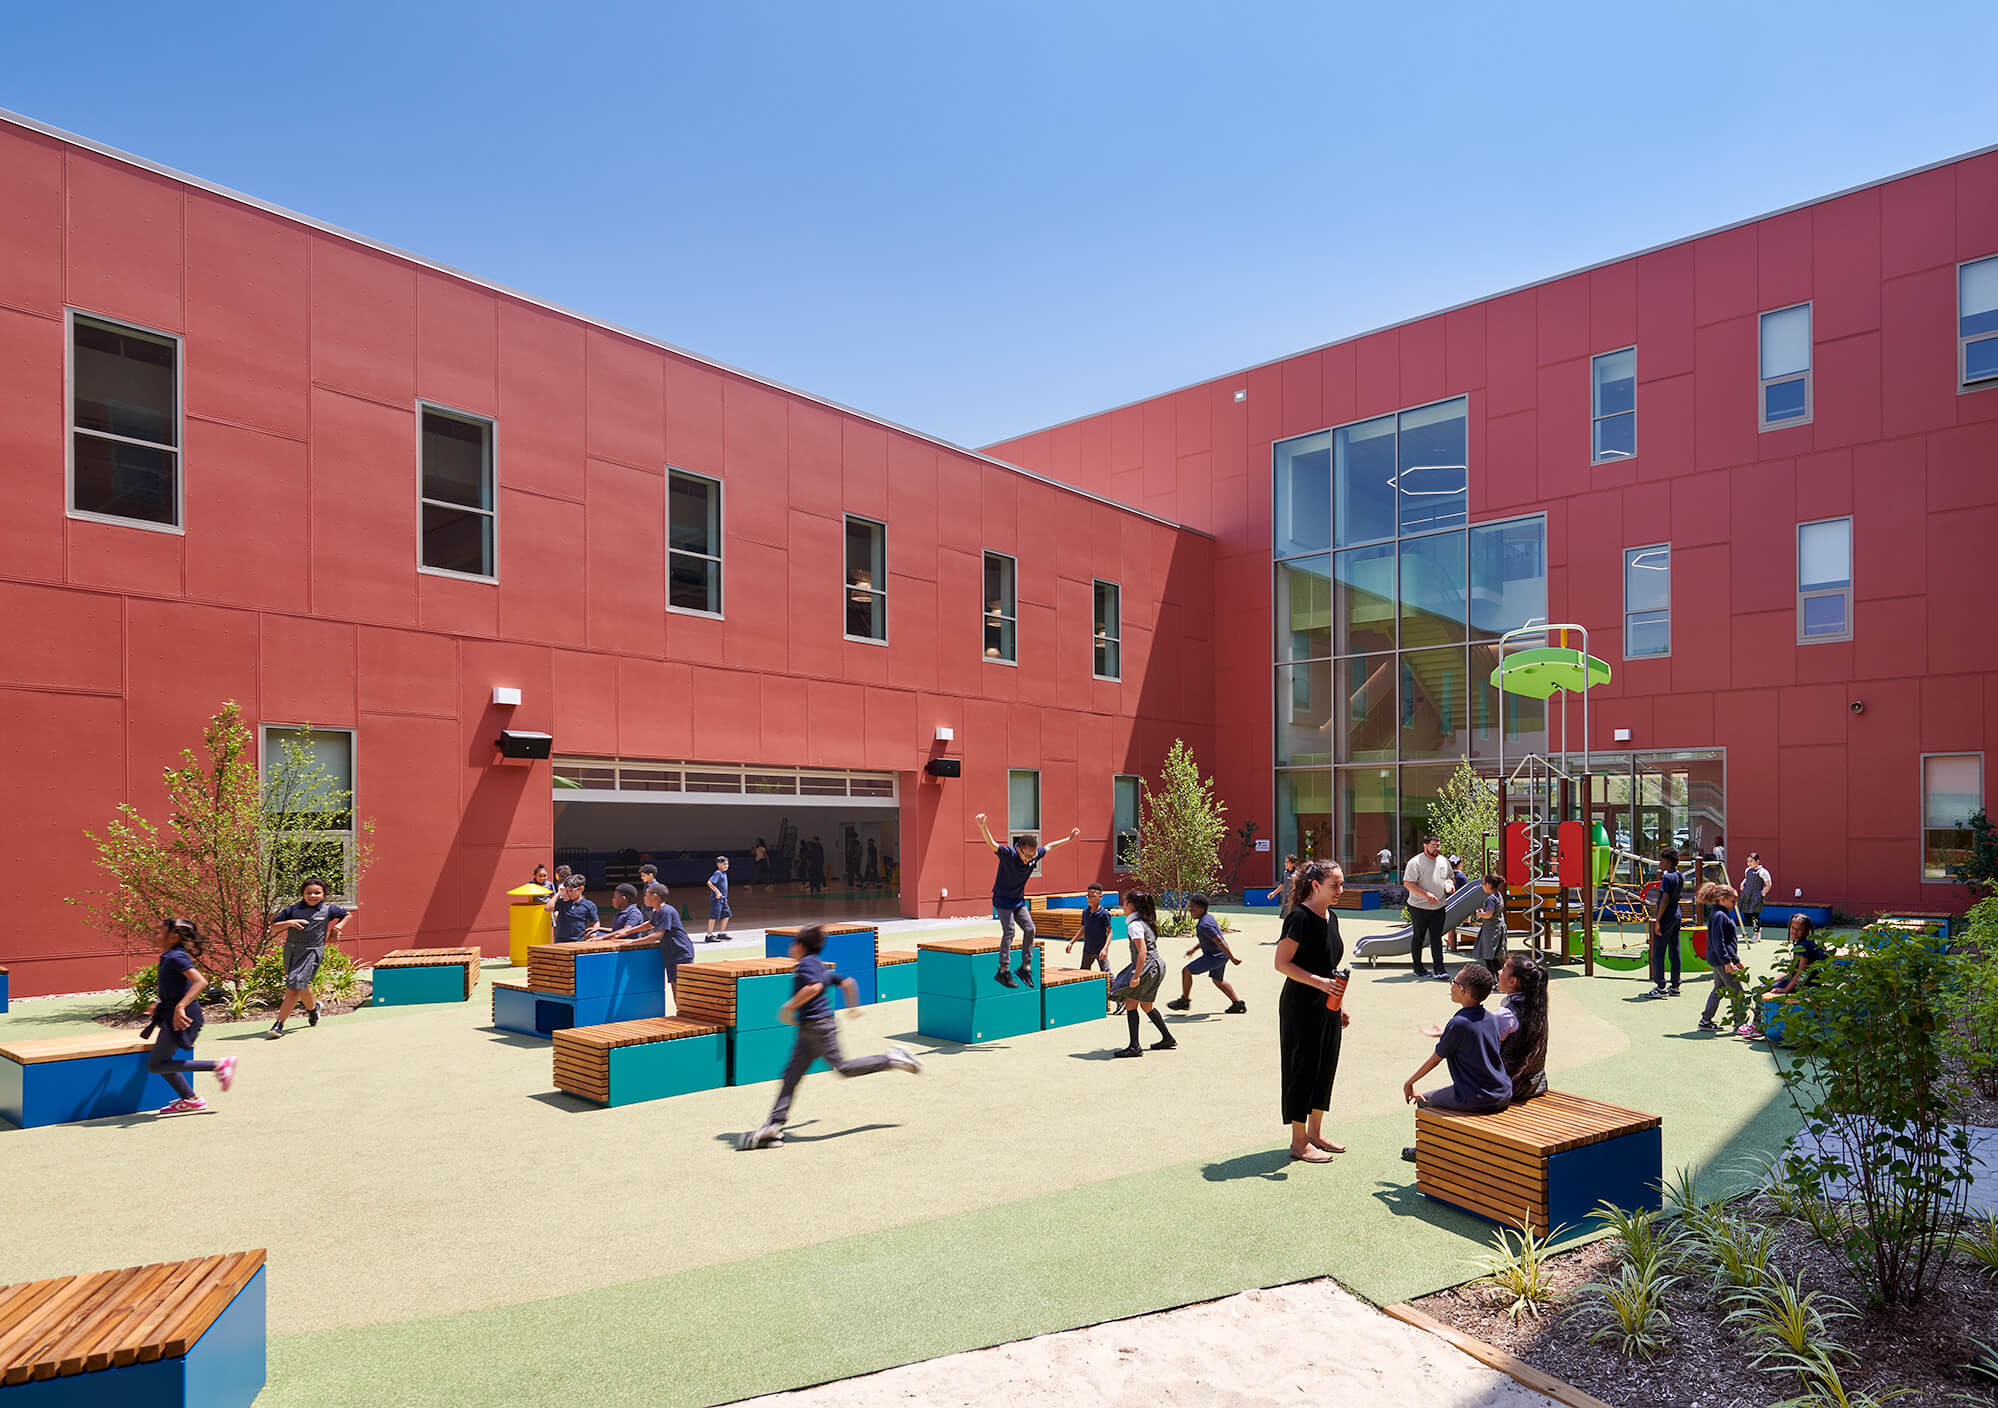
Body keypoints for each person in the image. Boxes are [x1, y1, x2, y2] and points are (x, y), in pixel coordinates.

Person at [738, 925, 922, 1149]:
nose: (791, 946)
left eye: (793, 943)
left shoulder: (807, 965)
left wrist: (788, 1007)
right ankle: (774, 1126)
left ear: (801, 946)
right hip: (809, 1030)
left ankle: (893, 1058)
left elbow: (814, 987)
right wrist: (854, 1006)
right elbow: (847, 982)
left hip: (818, 1028)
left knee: (843, 1068)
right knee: (791, 1076)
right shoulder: (818, 964)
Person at [1276, 860, 1349, 1162]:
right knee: (1301, 1067)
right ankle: (1298, 1141)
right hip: (1300, 1004)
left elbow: (1330, 967)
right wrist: (1319, 983)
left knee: (1325, 1065)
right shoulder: (1299, 918)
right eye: (1335, 885)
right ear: (1316, 885)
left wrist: (1339, 1003)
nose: (1340, 891)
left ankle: (1315, 1133)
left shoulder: (1331, 918)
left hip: (1327, 1004)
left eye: (1342, 884)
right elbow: (1282, 963)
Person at [1399, 962, 1510, 1160]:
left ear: (1462, 990)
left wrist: (1410, 1082)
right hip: (1502, 1091)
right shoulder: (1490, 1018)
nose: (1451, 985)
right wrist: (1446, 1034)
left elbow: (1435, 1060)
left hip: (1478, 1096)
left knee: (1424, 1101)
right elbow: (1474, 1037)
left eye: (1454, 981)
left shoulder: (1459, 1023)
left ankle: (1427, 1152)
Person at [973, 813, 1081, 988]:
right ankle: (1003, 971)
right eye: (1026, 856)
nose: (1029, 860)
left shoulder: (1033, 856)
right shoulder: (1008, 854)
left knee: (1030, 928)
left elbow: (1050, 847)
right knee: (1009, 931)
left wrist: (1068, 839)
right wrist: (983, 826)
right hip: (1002, 900)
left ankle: (1025, 968)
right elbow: (991, 844)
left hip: (1018, 901)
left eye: (1032, 857)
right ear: (1018, 849)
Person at [142, 918, 237, 1114]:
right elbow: (178, 988)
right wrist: (160, 1005)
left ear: (174, 936)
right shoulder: (170, 956)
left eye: (160, 931)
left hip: (183, 1017)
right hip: (174, 1015)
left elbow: (200, 982)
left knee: (157, 1065)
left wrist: (180, 1007)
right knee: (163, 1061)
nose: (155, 934)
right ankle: (190, 1099)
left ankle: (219, 1065)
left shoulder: (176, 956)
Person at [268, 877, 349, 1038]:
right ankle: (313, 1010)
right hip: (291, 950)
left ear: (324, 894)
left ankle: (278, 1025)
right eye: (309, 893)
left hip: (311, 952)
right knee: (302, 985)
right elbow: (274, 928)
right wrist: (290, 923)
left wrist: (337, 928)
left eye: (317, 893)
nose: (312, 896)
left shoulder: (329, 910)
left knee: (293, 987)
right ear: (303, 894)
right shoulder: (292, 910)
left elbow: (347, 915)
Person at [1741, 915, 1829, 1040]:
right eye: (1792, 928)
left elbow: (1800, 972)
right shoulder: (1800, 942)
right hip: (1802, 981)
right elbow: (1793, 969)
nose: (1794, 931)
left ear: (1806, 930)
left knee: (1762, 990)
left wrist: (1785, 989)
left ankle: (1757, 1026)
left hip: (1806, 985)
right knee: (1763, 986)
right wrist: (1774, 980)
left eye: (1799, 929)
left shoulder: (1804, 945)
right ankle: (1758, 1024)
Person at [1108, 888, 1173, 1056]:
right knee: (1146, 1005)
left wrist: (1136, 976)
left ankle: (1134, 1047)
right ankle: (1167, 1038)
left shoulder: (1135, 925)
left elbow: (1142, 952)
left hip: (1147, 967)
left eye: (1124, 903)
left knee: (1131, 1004)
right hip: (1158, 965)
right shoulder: (1145, 922)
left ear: (1131, 905)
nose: (1122, 906)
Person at [1167, 894, 1245, 1013]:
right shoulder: (1208, 918)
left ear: (1201, 909)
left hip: (1215, 957)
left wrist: (1232, 958)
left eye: (1192, 908)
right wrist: (1194, 949)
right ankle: (1237, 1003)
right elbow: (1210, 939)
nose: (1190, 911)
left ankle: (1184, 1001)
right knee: (1218, 980)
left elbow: (1218, 940)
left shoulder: (1204, 925)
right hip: (1221, 955)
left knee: (1186, 971)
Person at [1491, 952, 1548, 1103]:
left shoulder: (1505, 1015)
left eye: (1503, 970)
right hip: (1535, 1084)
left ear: (1513, 981)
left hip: (1508, 1087)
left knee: (1430, 1100)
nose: (1498, 972)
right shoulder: (1537, 1008)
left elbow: (1489, 1050)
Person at [1696, 883, 1748, 1034]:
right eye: (1733, 901)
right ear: (1722, 899)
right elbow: (1719, 941)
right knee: (1737, 992)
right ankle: (1740, 1024)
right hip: (1720, 960)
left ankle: (1706, 1020)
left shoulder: (1720, 914)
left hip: (1718, 959)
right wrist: (1727, 962)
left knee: (1719, 989)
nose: (1735, 904)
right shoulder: (1719, 916)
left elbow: (1727, 940)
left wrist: (1736, 959)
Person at [1405, 834, 1456, 981]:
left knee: (1436, 938)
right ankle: (1418, 968)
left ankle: (1439, 970)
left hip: (1439, 906)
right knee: (1418, 937)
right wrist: (1426, 894)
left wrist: (1451, 884)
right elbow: (1408, 883)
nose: (1437, 849)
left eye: (1438, 845)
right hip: (1418, 907)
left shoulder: (1443, 861)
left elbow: (1450, 877)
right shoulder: (1415, 862)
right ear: (1425, 846)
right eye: (1434, 845)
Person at [644, 882, 696, 998]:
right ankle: (679, 1012)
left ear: (655, 896)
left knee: (681, 987)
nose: (644, 897)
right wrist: (628, 931)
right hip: (672, 953)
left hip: (681, 951)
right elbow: (650, 924)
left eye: (646, 895)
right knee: (674, 984)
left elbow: (658, 935)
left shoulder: (666, 911)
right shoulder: (658, 911)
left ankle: (684, 1013)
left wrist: (632, 942)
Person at [1647, 849, 1685, 998]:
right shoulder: (1680, 876)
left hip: (1666, 917)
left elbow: (1664, 899)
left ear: (1668, 861)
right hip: (1677, 915)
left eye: (1662, 860)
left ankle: (1660, 986)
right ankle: (1675, 985)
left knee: (1658, 952)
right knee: (1675, 951)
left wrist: (1657, 920)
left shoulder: (1667, 878)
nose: (1660, 863)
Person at [1064, 883, 1114, 974]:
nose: (1090, 898)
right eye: (1088, 896)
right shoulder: (1085, 912)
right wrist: (1072, 942)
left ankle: (1114, 988)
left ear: (1100, 897)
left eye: (1093, 896)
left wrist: (1105, 949)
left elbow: (1110, 933)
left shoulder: (1104, 914)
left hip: (1100, 950)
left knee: (1106, 973)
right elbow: (1083, 929)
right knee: (1083, 972)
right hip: (1087, 949)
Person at [546, 874, 599, 943]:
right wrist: (559, 893)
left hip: (578, 941)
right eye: (567, 891)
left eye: (571, 890)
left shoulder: (588, 905)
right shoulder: (563, 902)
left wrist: (593, 933)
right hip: (560, 940)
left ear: (581, 889)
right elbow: (548, 908)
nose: (569, 893)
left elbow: (595, 922)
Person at [1470, 874, 1507, 967]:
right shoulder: (1498, 895)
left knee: (1489, 956)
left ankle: (1495, 977)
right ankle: (1496, 977)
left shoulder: (1490, 898)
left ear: (1489, 885)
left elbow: (1489, 914)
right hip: (1499, 927)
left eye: (1483, 883)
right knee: (1495, 955)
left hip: (1491, 930)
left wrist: (1479, 914)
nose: (1482, 885)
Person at [1738, 853, 1771, 942]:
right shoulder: (1747, 870)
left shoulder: (1763, 872)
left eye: (1751, 861)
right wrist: (1742, 883)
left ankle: (1756, 935)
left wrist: (1762, 894)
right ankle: (1757, 929)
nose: (1749, 863)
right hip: (1746, 894)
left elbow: (1768, 884)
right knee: (1746, 914)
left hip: (1756, 896)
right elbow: (1747, 878)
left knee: (1754, 915)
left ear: (1757, 861)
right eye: (1748, 861)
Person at [704, 856, 732, 942]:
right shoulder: (718, 873)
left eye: (727, 864)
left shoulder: (724, 873)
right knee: (714, 916)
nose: (726, 866)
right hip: (717, 899)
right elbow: (709, 882)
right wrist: (717, 892)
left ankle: (721, 933)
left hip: (723, 899)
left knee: (727, 915)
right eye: (724, 864)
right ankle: (709, 935)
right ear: (718, 864)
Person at [1268, 854, 1299, 919]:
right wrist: (1274, 893)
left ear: (1293, 864)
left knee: (1292, 918)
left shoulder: (1297, 874)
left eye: (1288, 862)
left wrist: (1293, 898)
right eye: (1285, 862)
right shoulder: (1285, 873)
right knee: (1285, 918)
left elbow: (1297, 889)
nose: (1285, 864)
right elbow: (1282, 885)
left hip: (1293, 901)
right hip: (1284, 899)